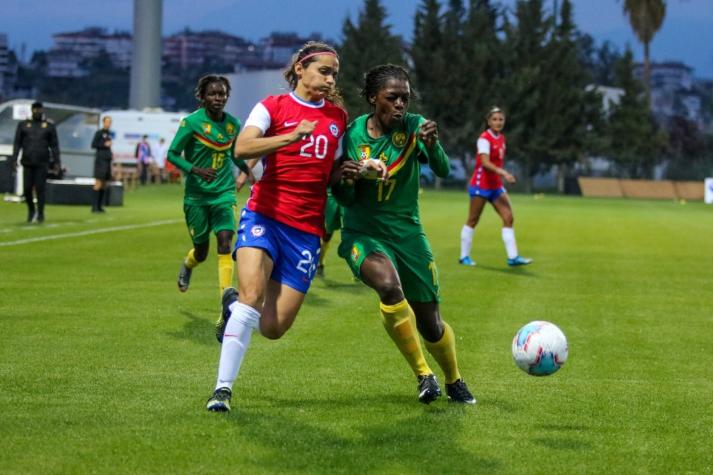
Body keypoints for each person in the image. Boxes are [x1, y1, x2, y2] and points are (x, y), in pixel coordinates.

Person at [205, 41, 384, 412]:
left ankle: (232, 307)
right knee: (252, 296)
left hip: (305, 231)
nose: (329, 78)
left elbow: (332, 171)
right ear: (300, 69)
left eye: (333, 73)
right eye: (323, 70)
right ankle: (222, 390)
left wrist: (357, 170)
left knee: (272, 327)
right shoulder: (273, 106)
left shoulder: (336, 117)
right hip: (264, 215)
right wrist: (289, 136)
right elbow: (242, 148)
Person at [333, 64, 475, 405]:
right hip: (363, 233)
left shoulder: (414, 127)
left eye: (405, 99)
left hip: (408, 234)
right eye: (392, 98)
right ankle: (424, 375)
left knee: (431, 325)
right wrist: (348, 178)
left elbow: (441, 168)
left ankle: (454, 379)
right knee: (388, 285)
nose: (400, 105)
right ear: (372, 98)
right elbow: (342, 197)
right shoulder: (351, 136)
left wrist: (435, 144)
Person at [167, 74, 249, 331]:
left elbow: (235, 155)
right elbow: (172, 154)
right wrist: (194, 170)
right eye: (213, 94)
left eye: (222, 94)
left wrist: (249, 173)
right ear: (202, 97)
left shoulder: (233, 124)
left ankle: (227, 307)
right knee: (201, 251)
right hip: (197, 198)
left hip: (224, 193)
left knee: (225, 242)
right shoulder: (191, 123)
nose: (218, 98)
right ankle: (189, 263)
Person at [459, 107, 532, 267]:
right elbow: (485, 163)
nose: (498, 122)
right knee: (473, 219)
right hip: (481, 184)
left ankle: (513, 257)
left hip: (495, 185)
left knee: (508, 217)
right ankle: (464, 256)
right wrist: (504, 173)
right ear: (488, 121)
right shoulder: (484, 138)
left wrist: (501, 175)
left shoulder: (501, 138)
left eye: (501, 119)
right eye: (495, 119)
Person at [11, 101, 61, 223]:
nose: (37, 111)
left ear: (42, 110)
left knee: (40, 189)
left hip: (42, 162)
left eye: (39, 109)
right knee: (27, 189)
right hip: (27, 161)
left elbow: (54, 145)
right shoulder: (23, 125)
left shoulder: (48, 126)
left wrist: (56, 162)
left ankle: (41, 213)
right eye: (35, 109)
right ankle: (31, 210)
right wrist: (14, 158)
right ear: (32, 110)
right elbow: (17, 143)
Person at [316, 188, 342, 277]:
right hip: (326, 199)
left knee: (326, 237)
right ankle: (319, 264)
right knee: (322, 236)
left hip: (337, 199)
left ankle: (320, 265)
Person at [91, 116, 114, 213]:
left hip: (107, 161)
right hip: (100, 161)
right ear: (103, 122)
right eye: (107, 122)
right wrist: (104, 145)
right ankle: (94, 207)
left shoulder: (108, 134)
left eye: (110, 122)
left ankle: (100, 206)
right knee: (98, 183)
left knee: (104, 184)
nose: (108, 124)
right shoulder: (99, 133)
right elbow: (93, 145)